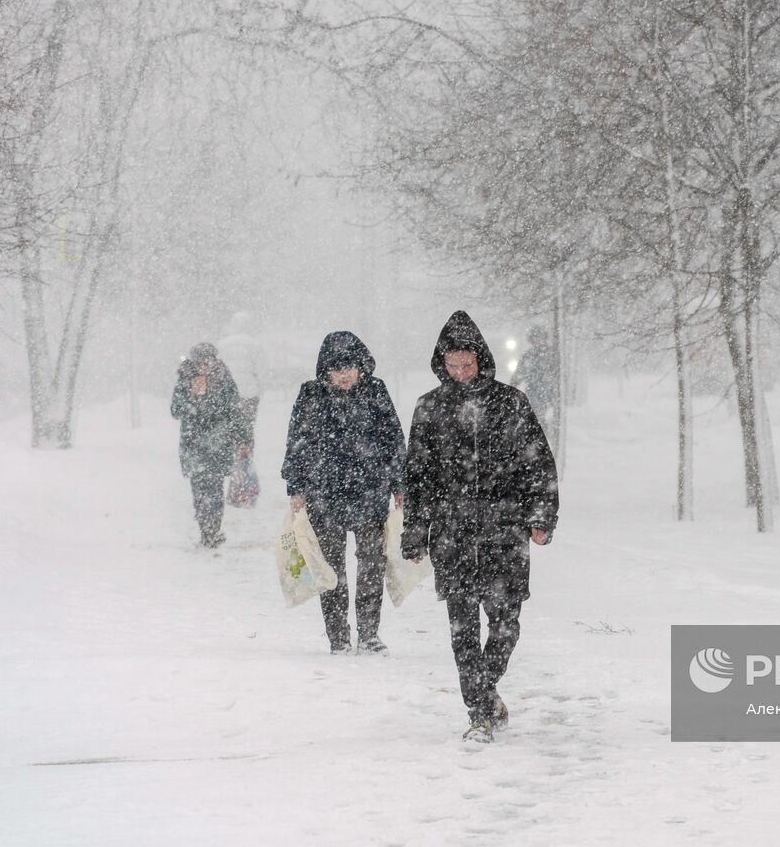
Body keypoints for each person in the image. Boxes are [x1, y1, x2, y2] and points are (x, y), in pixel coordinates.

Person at [401, 311, 559, 743]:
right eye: (451, 365)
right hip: (452, 534)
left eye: (466, 364)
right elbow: (418, 477)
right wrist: (415, 532)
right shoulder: (429, 407)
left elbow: (538, 464)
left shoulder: (511, 402)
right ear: (441, 364)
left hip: (504, 530)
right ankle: (479, 712)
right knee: (462, 629)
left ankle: (484, 688)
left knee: (506, 625)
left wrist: (541, 517)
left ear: (481, 359)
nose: (460, 373)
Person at [282, 331, 405, 655]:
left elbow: (393, 437)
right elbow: (297, 441)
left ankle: (368, 634)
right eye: (337, 368)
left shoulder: (375, 391)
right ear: (325, 370)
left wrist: (399, 484)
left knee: (371, 565)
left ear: (361, 366)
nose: (345, 373)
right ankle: (338, 637)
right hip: (326, 493)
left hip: (370, 489)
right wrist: (296, 487)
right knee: (331, 569)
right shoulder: (311, 395)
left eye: (350, 366)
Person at [170, 343, 249, 548]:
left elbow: (234, 411)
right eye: (200, 362)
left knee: (214, 489)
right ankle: (205, 530)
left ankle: (213, 530)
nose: (204, 366)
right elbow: (176, 410)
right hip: (193, 445)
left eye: (208, 361)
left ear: (215, 361)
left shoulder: (225, 381)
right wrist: (193, 399)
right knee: (198, 489)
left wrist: (243, 438)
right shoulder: (185, 381)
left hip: (218, 444)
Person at [216, 311, 267, 449]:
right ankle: (245, 458)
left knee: (228, 427)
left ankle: (229, 457)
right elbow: (261, 373)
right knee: (247, 428)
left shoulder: (222, 345)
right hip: (249, 393)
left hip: (226, 394)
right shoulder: (256, 345)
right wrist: (259, 392)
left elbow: (217, 372)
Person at [510, 324, 559, 436]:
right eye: (534, 338)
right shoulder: (528, 355)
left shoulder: (552, 354)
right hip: (533, 390)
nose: (537, 341)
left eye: (539, 338)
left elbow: (556, 373)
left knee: (543, 413)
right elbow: (519, 373)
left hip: (548, 390)